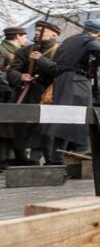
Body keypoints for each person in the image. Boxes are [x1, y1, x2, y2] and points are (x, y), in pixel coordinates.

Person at [45, 19, 100, 161]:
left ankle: (57, 158)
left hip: (62, 81)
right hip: (77, 81)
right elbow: (98, 49)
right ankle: (81, 156)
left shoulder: (69, 40)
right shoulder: (89, 40)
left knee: (62, 119)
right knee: (82, 118)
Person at [7, 20, 61, 164]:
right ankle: (22, 159)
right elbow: (13, 70)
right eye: (36, 30)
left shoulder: (59, 51)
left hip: (48, 95)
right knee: (21, 127)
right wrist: (20, 76)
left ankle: (47, 160)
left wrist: (41, 60)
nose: (36, 33)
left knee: (45, 130)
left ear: (53, 34)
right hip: (27, 93)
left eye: (40, 31)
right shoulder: (25, 50)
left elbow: (59, 70)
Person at [1, 26, 30, 165]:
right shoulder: (2, 51)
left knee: (10, 128)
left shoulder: (17, 51)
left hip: (11, 92)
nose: (26, 39)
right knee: (3, 128)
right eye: (24, 36)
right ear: (17, 36)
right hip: (4, 94)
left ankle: (10, 158)